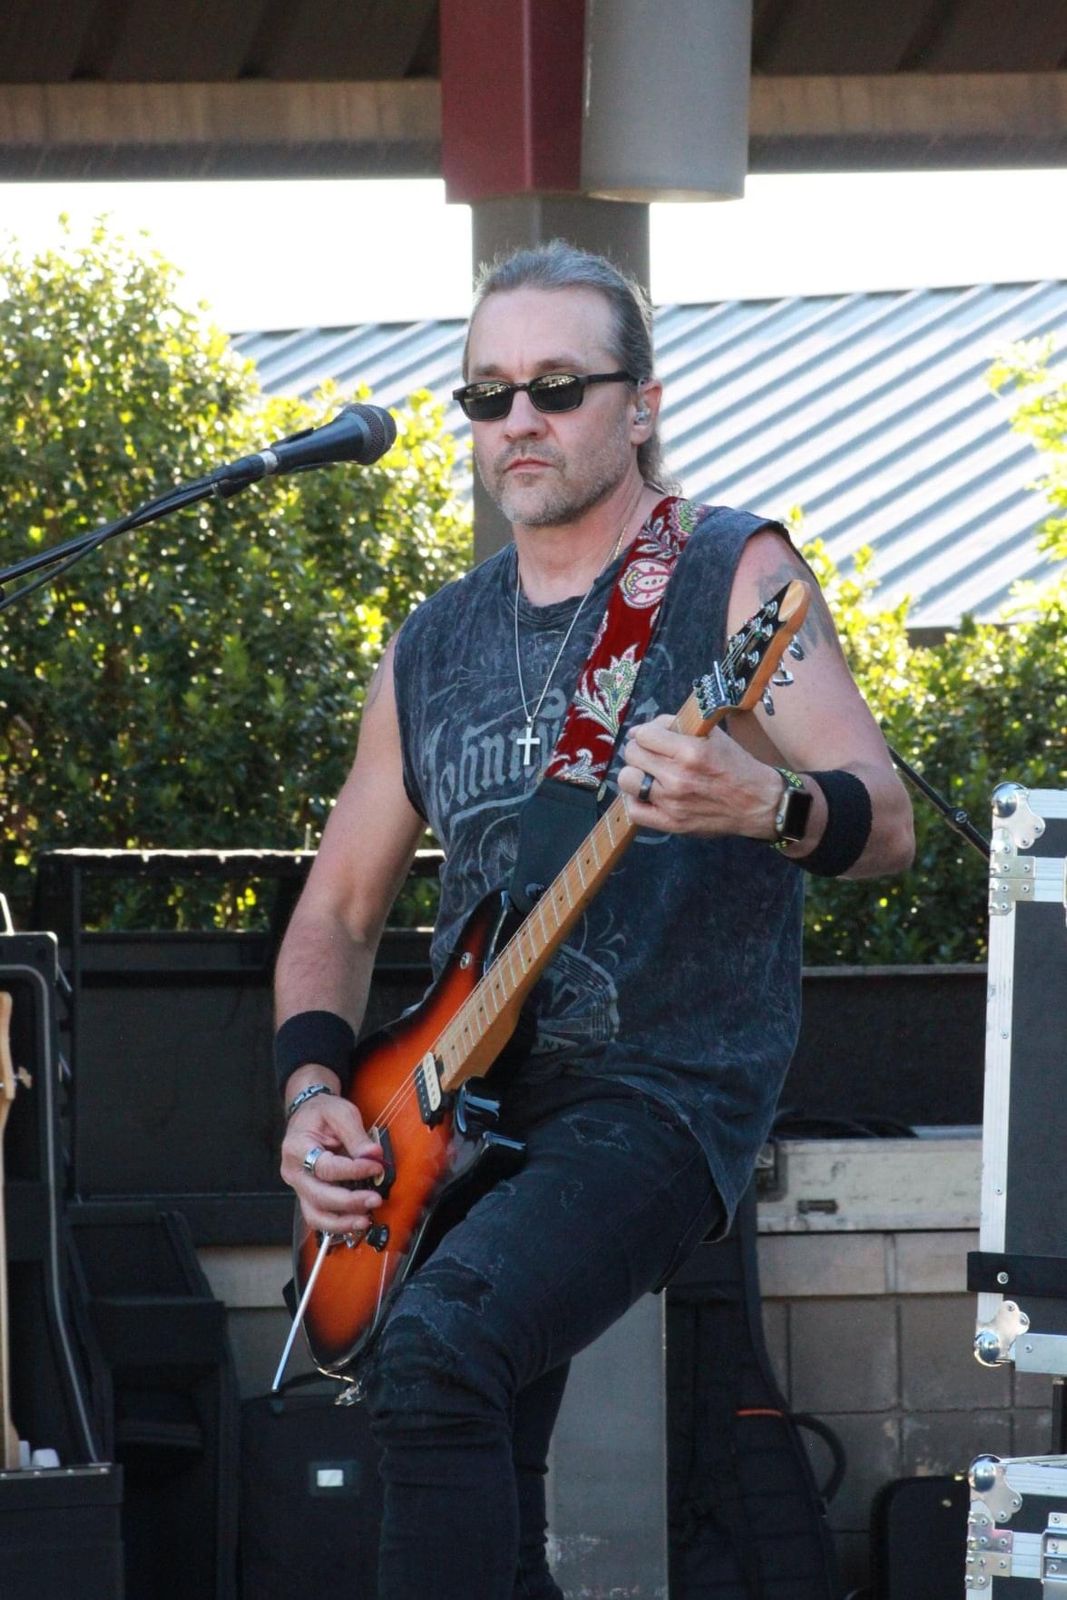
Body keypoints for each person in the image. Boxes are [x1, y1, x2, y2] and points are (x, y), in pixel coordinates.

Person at [274, 240, 914, 1599]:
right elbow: (336, 905)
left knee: (440, 1348)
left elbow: (888, 817)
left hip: (658, 1096)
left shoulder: (728, 572)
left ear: (642, 406)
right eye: (488, 393)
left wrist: (768, 805)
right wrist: (315, 1092)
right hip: (452, 1104)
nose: (519, 419)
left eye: (558, 387)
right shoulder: (433, 642)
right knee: (454, 1433)